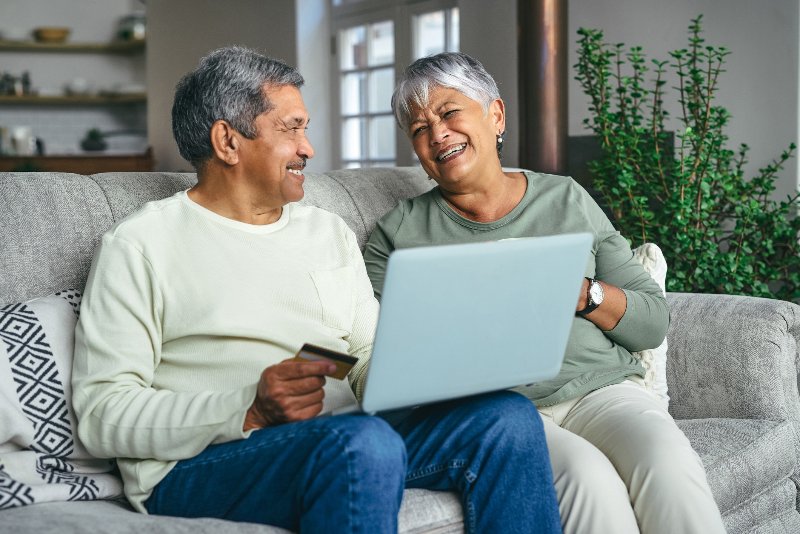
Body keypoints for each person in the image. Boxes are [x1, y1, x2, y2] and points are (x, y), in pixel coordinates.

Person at [71, 46, 562, 534]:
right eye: (292, 128)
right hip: (201, 464)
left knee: (506, 420)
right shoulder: (142, 244)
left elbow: (366, 354)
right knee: (362, 443)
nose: (308, 148)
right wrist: (249, 407)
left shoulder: (326, 233)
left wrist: (434, 372)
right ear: (227, 141)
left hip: (338, 435)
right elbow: (101, 413)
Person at [363, 52, 727, 534]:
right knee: (588, 479)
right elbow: (385, 359)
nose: (437, 135)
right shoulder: (396, 235)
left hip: (601, 392)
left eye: (449, 113)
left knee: (669, 464)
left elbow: (651, 322)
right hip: (503, 415)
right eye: (418, 129)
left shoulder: (566, 198)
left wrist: (585, 295)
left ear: (495, 115)